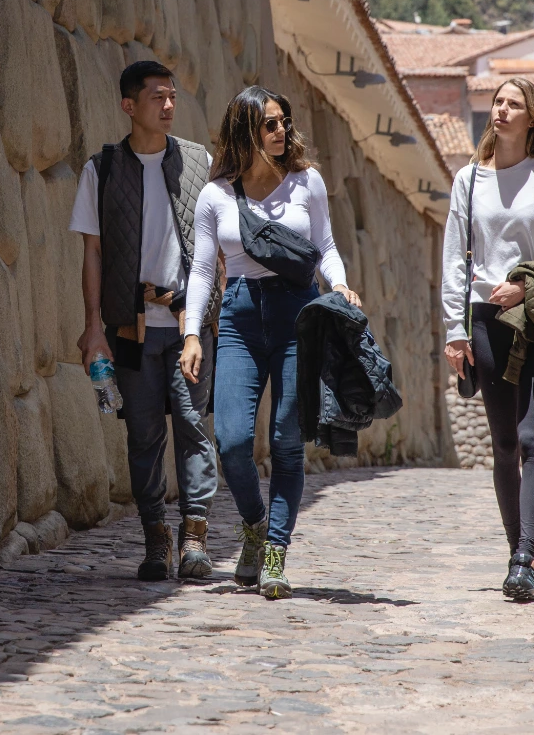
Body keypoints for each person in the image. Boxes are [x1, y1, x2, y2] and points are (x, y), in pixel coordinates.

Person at [182, 87, 360, 600]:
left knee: (285, 438)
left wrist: (340, 284)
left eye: (284, 122)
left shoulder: (308, 182)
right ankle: (254, 526)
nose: (281, 132)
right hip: (238, 317)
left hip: (297, 315)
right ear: (246, 131)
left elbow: (325, 245)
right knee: (233, 440)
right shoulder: (216, 194)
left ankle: (275, 552)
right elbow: (200, 269)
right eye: (269, 125)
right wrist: (193, 332)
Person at [71, 61, 217, 582]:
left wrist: (199, 315)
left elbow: (216, 247)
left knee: (196, 428)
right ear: (129, 106)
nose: (169, 106)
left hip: (188, 329)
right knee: (144, 435)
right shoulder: (102, 169)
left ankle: (195, 539)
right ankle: (156, 540)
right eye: (158, 97)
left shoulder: (200, 163)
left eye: (173, 96)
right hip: (129, 330)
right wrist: (93, 329)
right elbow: (92, 253)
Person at [442, 77, 534, 603]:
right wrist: (455, 331)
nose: (501, 110)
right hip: (483, 320)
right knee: (504, 444)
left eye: (513, 103)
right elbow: (454, 259)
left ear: (532, 117)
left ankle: (526, 555)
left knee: (532, 440)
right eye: (498, 102)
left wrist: (527, 282)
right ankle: (514, 555)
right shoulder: (469, 181)